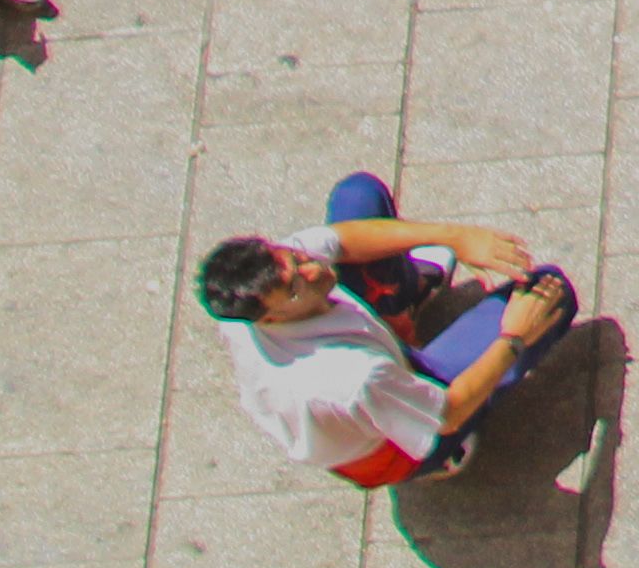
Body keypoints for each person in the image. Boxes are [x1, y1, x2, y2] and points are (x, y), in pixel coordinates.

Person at [197, 184, 581, 485]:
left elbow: (342, 241)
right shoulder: (348, 377)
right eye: (295, 288)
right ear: (269, 319)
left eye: (296, 260)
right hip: (397, 434)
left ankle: (401, 304)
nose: (312, 270)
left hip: (375, 362)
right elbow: (445, 413)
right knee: (549, 294)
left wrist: (457, 237)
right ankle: (440, 459)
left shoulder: (264, 289)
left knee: (358, 195)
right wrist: (513, 338)